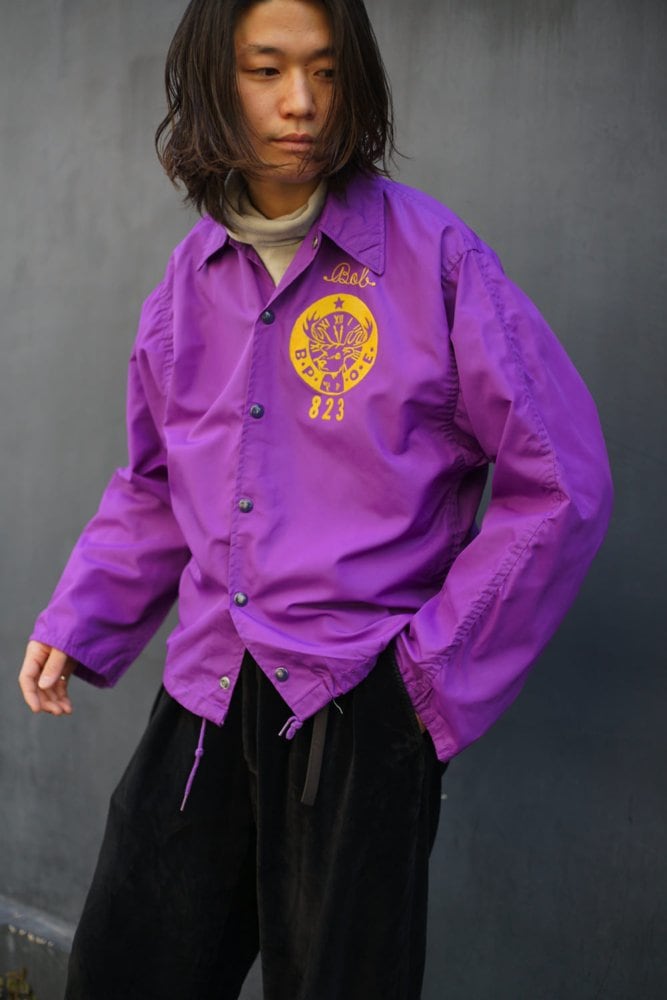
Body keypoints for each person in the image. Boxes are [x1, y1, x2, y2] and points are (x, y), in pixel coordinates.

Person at [18, 0, 613, 997]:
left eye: (326, 71)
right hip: (207, 684)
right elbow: (161, 482)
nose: (301, 103)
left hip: (357, 700)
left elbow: (560, 481)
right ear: (214, 81)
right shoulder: (188, 279)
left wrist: (426, 680)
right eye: (266, 70)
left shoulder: (434, 260)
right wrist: (84, 615)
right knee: (125, 968)